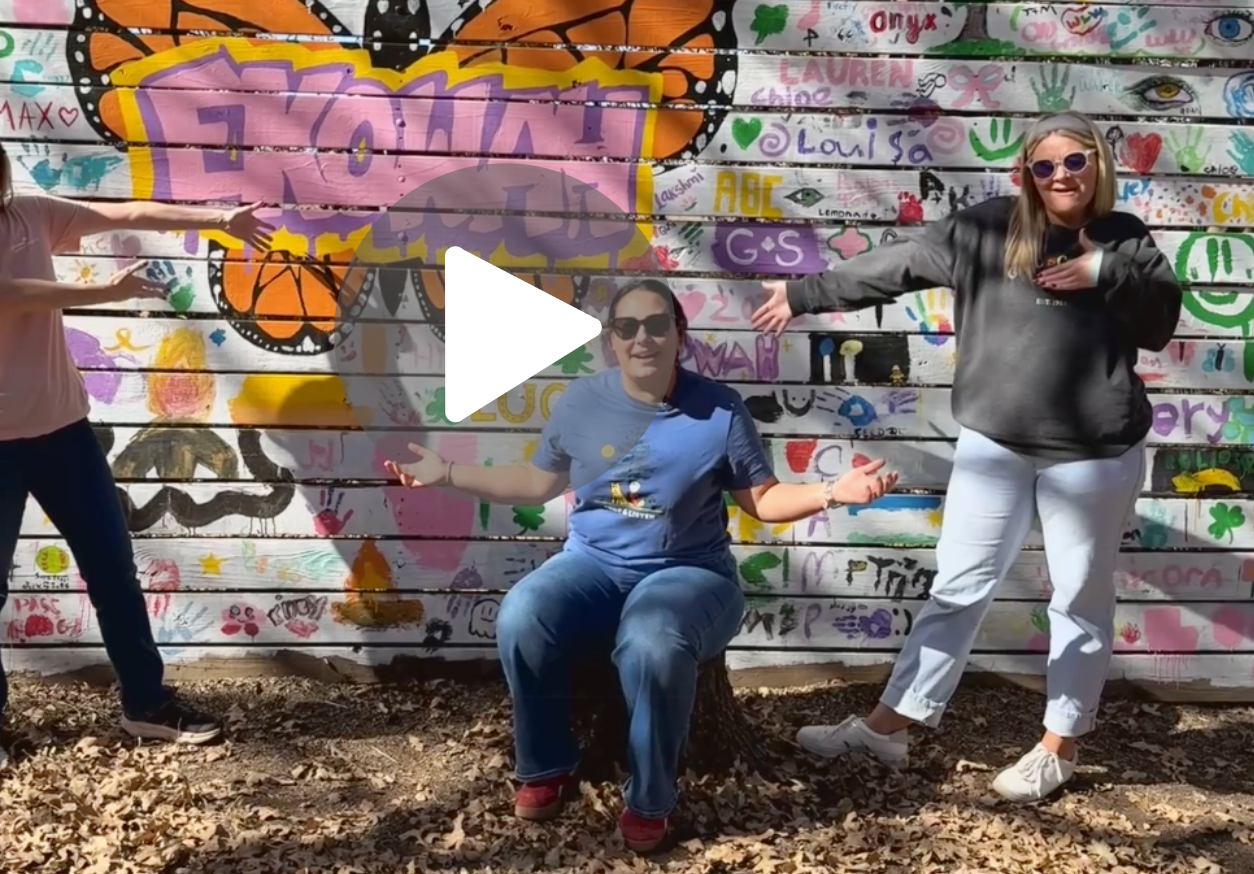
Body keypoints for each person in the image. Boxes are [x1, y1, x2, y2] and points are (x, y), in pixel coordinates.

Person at [751, 112, 1182, 803]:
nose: (1061, 176)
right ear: (1027, 175)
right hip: (995, 446)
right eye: (1045, 166)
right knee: (957, 586)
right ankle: (887, 728)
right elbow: (898, 264)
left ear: (1097, 164)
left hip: (1094, 455)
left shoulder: (1124, 236)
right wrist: (805, 294)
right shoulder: (987, 229)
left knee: (1079, 598)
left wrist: (1106, 269)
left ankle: (1058, 747)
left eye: (1075, 161)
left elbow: (1160, 323)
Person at [389, 279, 898, 852]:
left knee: (651, 640)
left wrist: (832, 490)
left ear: (679, 334)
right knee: (522, 614)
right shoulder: (581, 403)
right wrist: (449, 474)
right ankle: (546, 764)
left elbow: (762, 499)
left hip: (691, 575)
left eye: (657, 324)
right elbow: (537, 482)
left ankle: (650, 798)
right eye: (627, 327)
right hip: (593, 565)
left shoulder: (719, 409)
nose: (642, 338)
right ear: (611, 341)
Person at [0, 111, 273, 772]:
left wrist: (216, 222)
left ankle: (147, 705)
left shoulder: (30, 215)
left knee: (114, 575)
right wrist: (107, 291)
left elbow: (129, 213)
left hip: (64, 433)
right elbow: (7, 296)